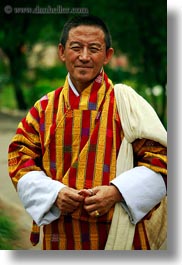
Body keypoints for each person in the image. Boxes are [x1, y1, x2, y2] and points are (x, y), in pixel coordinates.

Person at [8, 15, 167, 250]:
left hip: (119, 235)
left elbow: (163, 161)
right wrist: (54, 194)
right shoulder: (44, 108)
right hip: (60, 234)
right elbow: (18, 158)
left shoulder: (127, 105)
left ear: (108, 55)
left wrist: (117, 192)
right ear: (62, 52)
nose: (84, 56)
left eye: (94, 49)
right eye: (76, 48)